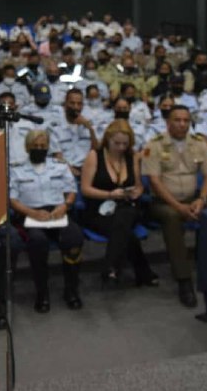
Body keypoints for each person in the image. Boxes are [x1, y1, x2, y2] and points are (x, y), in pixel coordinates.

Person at [142, 105, 207, 307]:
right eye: (177, 120)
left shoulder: (199, 143)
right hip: (162, 203)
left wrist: (201, 199)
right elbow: (154, 182)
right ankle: (184, 281)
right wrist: (178, 206)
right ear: (168, 122)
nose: (182, 124)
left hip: (193, 199)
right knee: (172, 217)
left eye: (186, 120)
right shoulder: (154, 145)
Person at [9, 130, 84, 313]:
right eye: (35, 146)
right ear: (27, 147)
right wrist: (31, 213)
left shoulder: (59, 166)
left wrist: (65, 206)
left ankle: (71, 290)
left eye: (43, 146)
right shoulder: (17, 169)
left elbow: (71, 190)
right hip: (31, 214)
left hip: (57, 212)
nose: (39, 149)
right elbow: (12, 200)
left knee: (74, 237)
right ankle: (42, 293)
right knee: (37, 242)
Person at [80, 120, 158, 287]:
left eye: (125, 144)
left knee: (126, 214)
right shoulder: (95, 155)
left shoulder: (131, 157)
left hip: (126, 205)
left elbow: (138, 185)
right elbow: (85, 189)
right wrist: (109, 194)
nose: (121, 148)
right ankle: (142, 271)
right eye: (117, 143)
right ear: (108, 139)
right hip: (99, 209)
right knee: (125, 233)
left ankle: (111, 266)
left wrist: (136, 192)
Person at [52, 89, 99, 176]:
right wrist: (73, 171)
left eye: (79, 104)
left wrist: (90, 129)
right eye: (72, 103)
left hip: (88, 171)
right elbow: (58, 157)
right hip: (65, 172)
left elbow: (96, 150)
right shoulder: (55, 129)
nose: (76, 107)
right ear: (65, 104)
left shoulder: (89, 126)